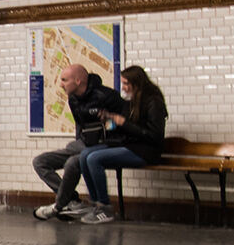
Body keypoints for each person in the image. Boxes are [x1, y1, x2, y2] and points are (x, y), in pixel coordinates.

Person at [73, 64, 168, 226]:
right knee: (84, 155)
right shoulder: (131, 103)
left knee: (94, 159)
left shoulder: (154, 103)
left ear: (137, 83)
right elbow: (121, 127)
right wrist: (109, 121)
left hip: (145, 151)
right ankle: (95, 204)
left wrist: (123, 123)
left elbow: (154, 136)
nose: (123, 88)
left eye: (126, 83)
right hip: (129, 145)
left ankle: (105, 207)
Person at [32, 62, 126, 221]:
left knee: (73, 162)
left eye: (64, 80)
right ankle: (72, 201)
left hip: (105, 145)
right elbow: (80, 125)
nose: (61, 84)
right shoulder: (73, 99)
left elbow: (122, 122)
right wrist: (78, 142)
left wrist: (107, 129)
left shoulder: (107, 96)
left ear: (78, 81)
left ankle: (59, 206)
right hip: (84, 143)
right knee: (40, 162)